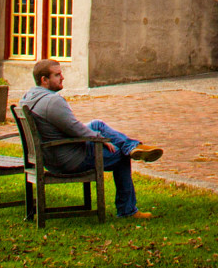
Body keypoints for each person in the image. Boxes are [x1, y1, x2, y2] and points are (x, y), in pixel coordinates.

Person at [20, 57, 163, 220]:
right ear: (44, 80)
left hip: (50, 157)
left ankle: (133, 147)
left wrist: (97, 134)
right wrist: (99, 139)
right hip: (68, 159)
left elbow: (71, 128)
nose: (63, 78)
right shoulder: (52, 101)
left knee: (97, 124)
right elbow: (75, 130)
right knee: (121, 156)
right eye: (57, 75)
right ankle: (127, 210)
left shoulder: (28, 97)